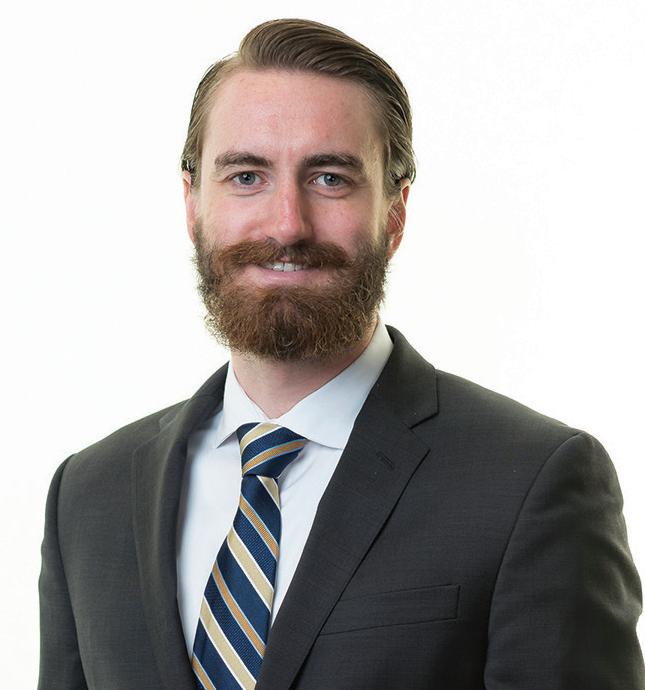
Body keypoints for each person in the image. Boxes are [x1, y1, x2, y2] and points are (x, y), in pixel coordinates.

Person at [38, 18, 644, 690]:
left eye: (329, 178)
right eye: (246, 176)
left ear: (394, 212)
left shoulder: (530, 483)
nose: (286, 224)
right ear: (193, 203)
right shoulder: (86, 497)